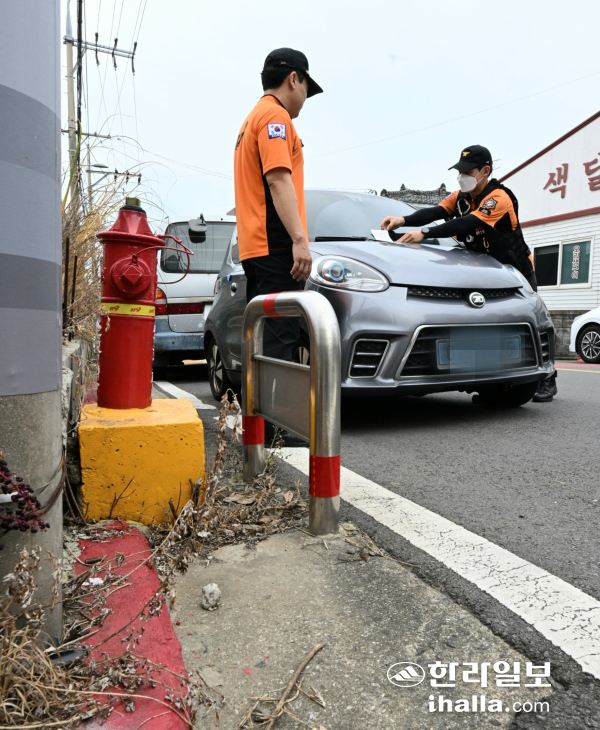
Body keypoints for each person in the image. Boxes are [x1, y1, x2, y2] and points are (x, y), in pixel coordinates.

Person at [380, 144, 557, 403]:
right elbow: (436, 212)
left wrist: (425, 233)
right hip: (481, 272)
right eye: (459, 171)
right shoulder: (459, 197)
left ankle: (547, 379)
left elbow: (467, 223)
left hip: (514, 272)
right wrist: (403, 220)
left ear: (485, 171)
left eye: (467, 172)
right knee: (484, 330)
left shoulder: (499, 198)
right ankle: (490, 381)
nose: (461, 176)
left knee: (535, 323)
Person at [234, 48, 323, 444]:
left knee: (263, 337)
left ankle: (260, 427)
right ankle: (275, 430)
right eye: (306, 88)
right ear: (293, 79)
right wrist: (300, 241)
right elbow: (277, 179)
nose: (305, 97)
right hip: (275, 245)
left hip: (255, 245)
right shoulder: (275, 117)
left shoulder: (250, 119)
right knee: (281, 337)